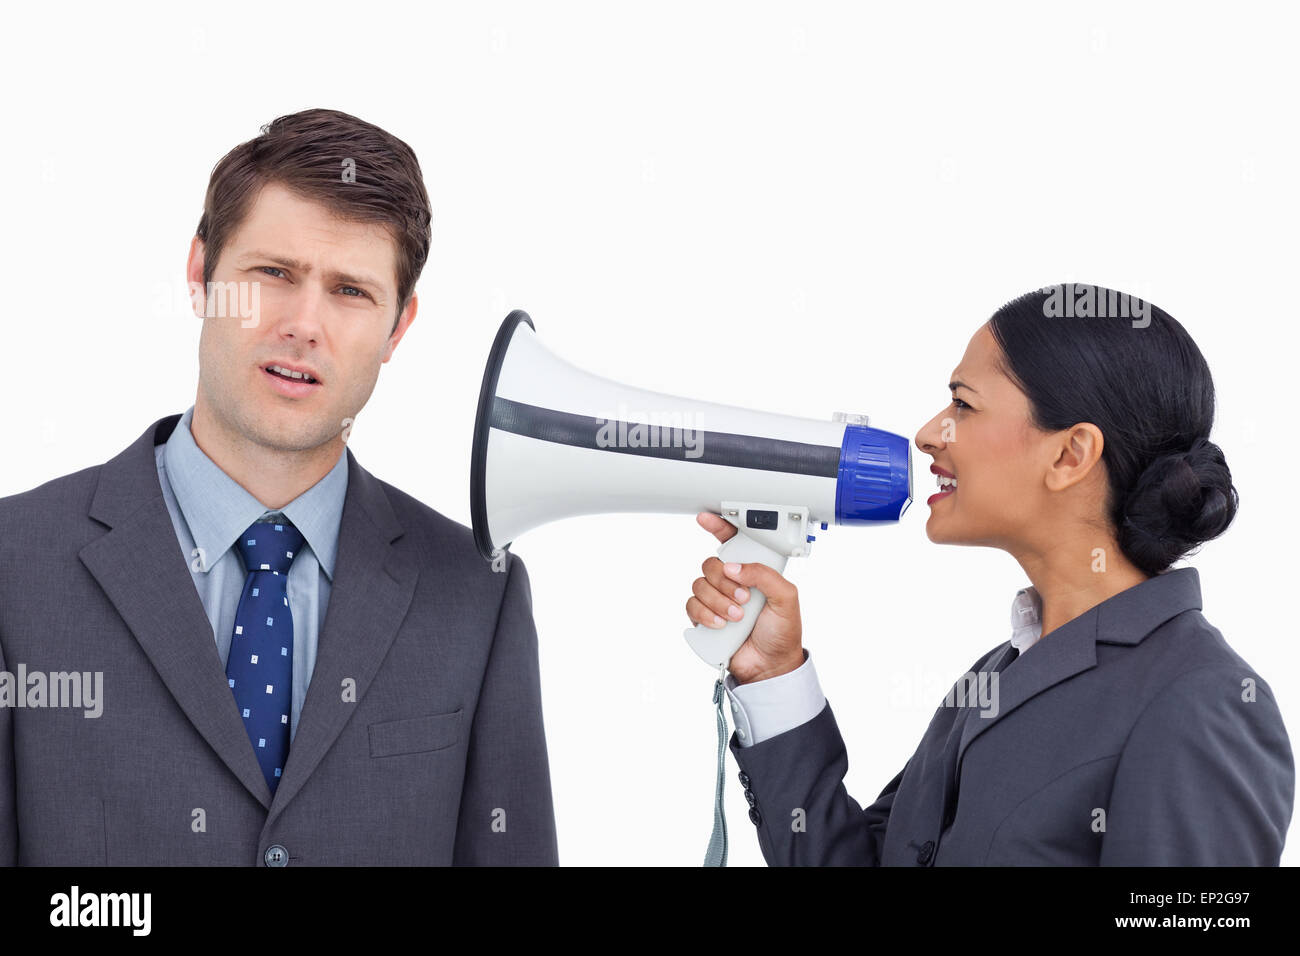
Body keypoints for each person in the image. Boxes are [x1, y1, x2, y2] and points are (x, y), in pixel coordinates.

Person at [0, 108, 558, 865]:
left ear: (399, 327)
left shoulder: (476, 594)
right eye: (273, 274)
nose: (304, 324)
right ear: (201, 274)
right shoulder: (14, 567)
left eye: (351, 292)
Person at [685, 285, 1294, 865]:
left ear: (1070, 454)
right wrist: (773, 675)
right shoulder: (999, 676)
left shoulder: (1202, 702)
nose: (927, 434)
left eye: (962, 404)